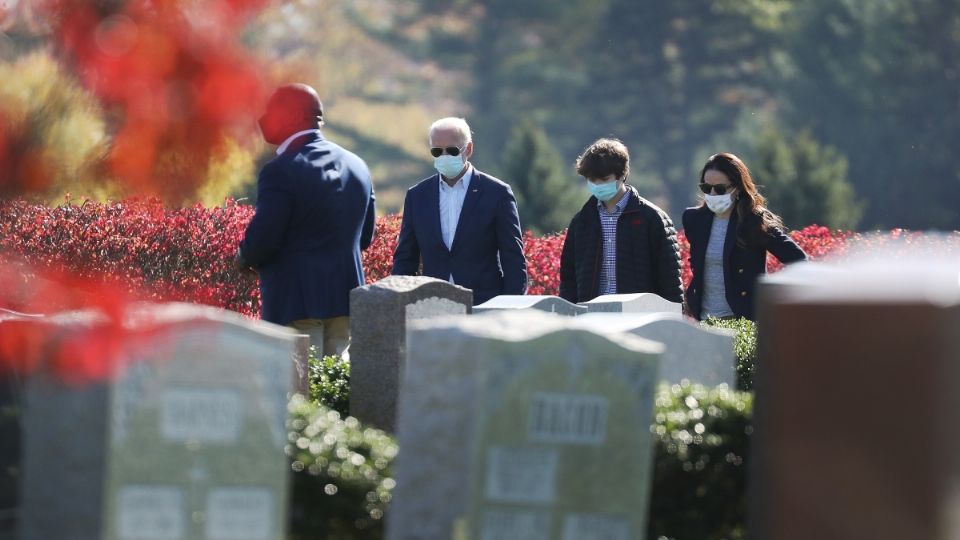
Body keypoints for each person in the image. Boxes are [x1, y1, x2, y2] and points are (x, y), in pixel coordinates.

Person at [236, 83, 376, 357]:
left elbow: (266, 236)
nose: (265, 120)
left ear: (294, 116)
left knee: (299, 390)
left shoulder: (280, 169)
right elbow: (366, 236)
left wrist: (244, 257)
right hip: (345, 299)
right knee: (336, 388)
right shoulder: (358, 165)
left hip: (294, 301)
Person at [392, 117, 527, 305]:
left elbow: (513, 258)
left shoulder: (496, 193)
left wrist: (510, 307)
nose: (444, 156)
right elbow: (406, 258)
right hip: (431, 305)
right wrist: (398, 302)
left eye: (452, 150)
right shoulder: (417, 196)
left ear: (468, 149)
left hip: (484, 305)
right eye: (437, 151)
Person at [683, 152, 807, 321]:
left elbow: (798, 260)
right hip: (704, 319)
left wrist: (775, 298)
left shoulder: (756, 221)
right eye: (706, 188)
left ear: (737, 187)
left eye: (719, 189)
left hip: (744, 321)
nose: (712, 194)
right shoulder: (694, 219)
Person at [559, 138, 683, 304]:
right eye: (592, 180)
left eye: (604, 179)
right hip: (591, 314)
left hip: (639, 315)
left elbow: (670, 280)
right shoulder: (582, 221)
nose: (597, 185)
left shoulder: (651, 218)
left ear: (622, 174)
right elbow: (569, 278)